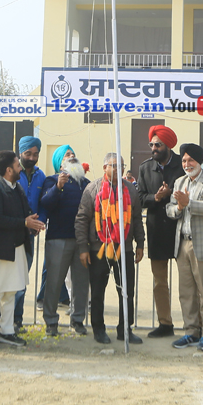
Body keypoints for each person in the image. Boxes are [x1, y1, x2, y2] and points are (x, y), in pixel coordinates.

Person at [0, 150, 44, 349]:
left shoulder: (16, 187)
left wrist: (32, 221)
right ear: (8, 170)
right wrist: (24, 222)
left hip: (16, 248)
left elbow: (24, 212)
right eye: (17, 165)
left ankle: (7, 331)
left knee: (10, 292)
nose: (20, 168)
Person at [77, 152, 144, 344]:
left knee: (127, 291)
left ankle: (125, 329)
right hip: (99, 249)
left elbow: (137, 219)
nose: (118, 169)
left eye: (121, 166)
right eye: (114, 165)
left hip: (124, 248)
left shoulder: (130, 190)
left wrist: (140, 243)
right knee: (98, 291)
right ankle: (98, 329)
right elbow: (82, 219)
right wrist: (83, 247)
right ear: (104, 167)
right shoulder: (93, 188)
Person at [166, 143, 203, 353]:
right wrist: (179, 207)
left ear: (199, 161)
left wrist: (189, 203)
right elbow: (170, 209)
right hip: (182, 243)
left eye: (190, 160)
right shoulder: (179, 182)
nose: (187, 164)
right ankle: (191, 331)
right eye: (183, 160)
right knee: (186, 291)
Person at [138, 124, 185, 339]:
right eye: (152, 144)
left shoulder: (182, 165)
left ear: (168, 145)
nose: (153, 148)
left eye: (158, 145)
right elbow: (140, 198)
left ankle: (195, 325)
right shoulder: (145, 168)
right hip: (156, 230)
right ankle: (165, 323)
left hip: (180, 230)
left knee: (188, 281)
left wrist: (170, 194)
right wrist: (155, 198)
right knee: (160, 282)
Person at [39, 144, 89, 337]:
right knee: (54, 282)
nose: (72, 155)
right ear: (60, 164)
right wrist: (58, 187)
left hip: (82, 241)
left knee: (81, 283)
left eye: (73, 153)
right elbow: (46, 203)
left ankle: (78, 320)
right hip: (58, 239)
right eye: (67, 155)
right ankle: (51, 321)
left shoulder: (85, 183)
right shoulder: (51, 181)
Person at [12, 136, 45, 330]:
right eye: (28, 154)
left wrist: (38, 223)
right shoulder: (12, 173)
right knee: (10, 280)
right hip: (12, 234)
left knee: (22, 279)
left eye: (35, 154)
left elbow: (43, 203)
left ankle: (17, 319)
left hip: (29, 237)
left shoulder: (41, 176)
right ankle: (4, 321)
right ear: (20, 153)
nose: (31, 158)